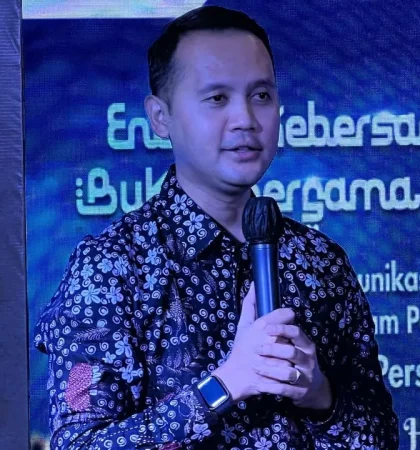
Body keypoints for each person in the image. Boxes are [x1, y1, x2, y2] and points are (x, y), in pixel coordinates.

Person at [34, 5, 399, 449]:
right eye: (217, 98)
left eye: (261, 95)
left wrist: (319, 394)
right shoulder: (110, 268)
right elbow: (79, 444)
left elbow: (381, 438)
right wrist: (225, 384)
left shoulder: (319, 262)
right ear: (160, 116)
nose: (246, 119)